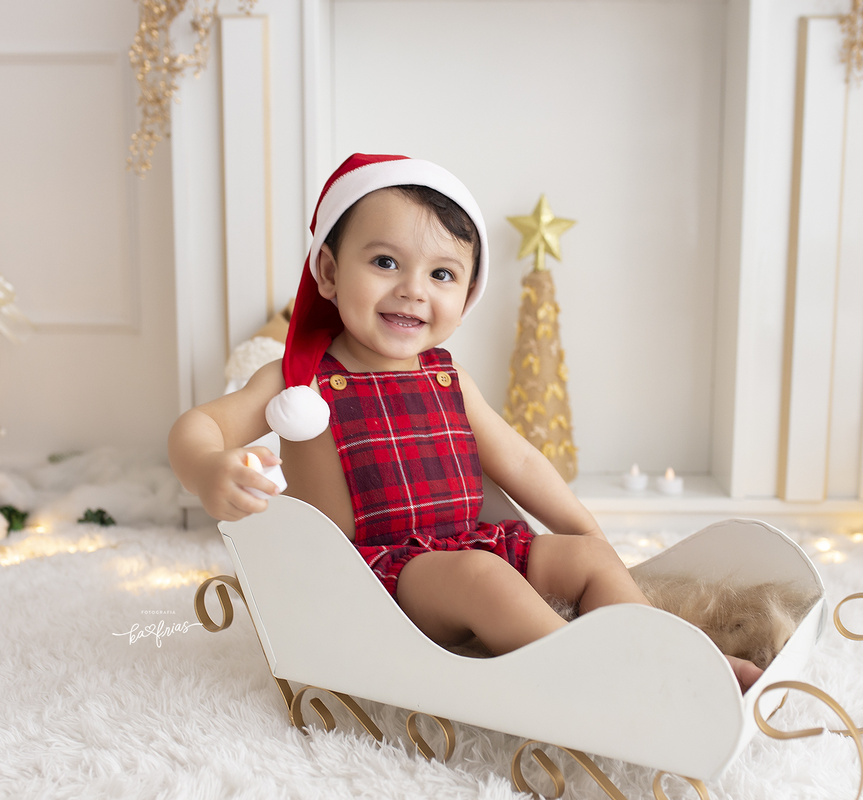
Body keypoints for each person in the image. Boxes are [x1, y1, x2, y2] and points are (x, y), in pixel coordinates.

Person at [169, 153, 762, 691]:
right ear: (327, 271)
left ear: (468, 293)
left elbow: (522, 462)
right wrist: (208, 466)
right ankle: (599, 682)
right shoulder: (297, 380)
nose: (411, 290)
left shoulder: (450, 381)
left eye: (442, 275)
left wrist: (588, 534)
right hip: (374, 577)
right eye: (384, 262)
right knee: (484, 578)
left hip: (467, 545)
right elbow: (198, 425)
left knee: (588, 563)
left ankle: (671, 654)